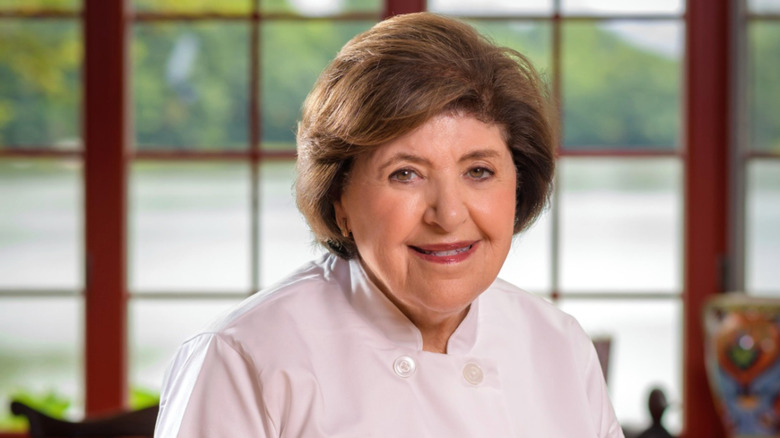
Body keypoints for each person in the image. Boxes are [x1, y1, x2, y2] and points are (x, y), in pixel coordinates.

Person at [154, 12, 623, 438]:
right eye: (406, 174)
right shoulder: (243, 360)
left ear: (518, 185)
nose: (449, 215)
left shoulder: (560, 346)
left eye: (478, 171)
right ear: (339, 198)